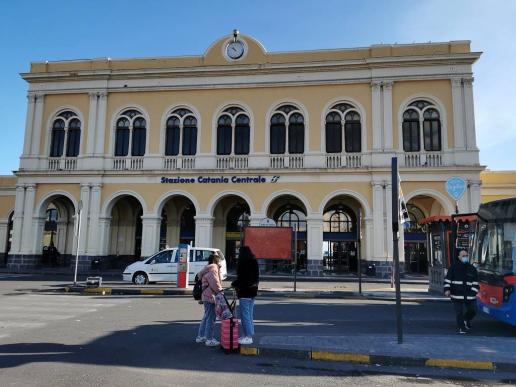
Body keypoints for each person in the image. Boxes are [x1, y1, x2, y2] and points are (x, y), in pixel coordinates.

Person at [444, 250, 479, 334]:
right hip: (457, 294)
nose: (465, 257)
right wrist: (447, 290)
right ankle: (462, 328)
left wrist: (473, 293)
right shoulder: (453, 267)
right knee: (459, 312)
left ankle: (466, 320)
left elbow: (476, 283)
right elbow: (447, 280)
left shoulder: (472, 268)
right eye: (463, 256)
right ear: (459, 257)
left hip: (469, 295)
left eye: (466, 255)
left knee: (473, 310)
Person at [231, 245, 259, 345]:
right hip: (253, 292)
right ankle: (247, 334)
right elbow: (256, 278)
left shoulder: (242, 264)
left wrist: (234, 284)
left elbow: (242, 279)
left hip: (245, 292)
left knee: (245, 315)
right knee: (249, 314)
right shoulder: (254, 262)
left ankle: (248, 336)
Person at [195, 253, 223, 347]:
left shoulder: (207, 268)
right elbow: (215, 282)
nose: (220, 263)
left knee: (206, 317)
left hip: (206, 295)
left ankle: (201, 336)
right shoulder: (213, 268)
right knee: (211, 318)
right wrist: (220, 291)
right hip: (211, 296)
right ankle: (209, 339)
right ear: (216, 261)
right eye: (219, 260)